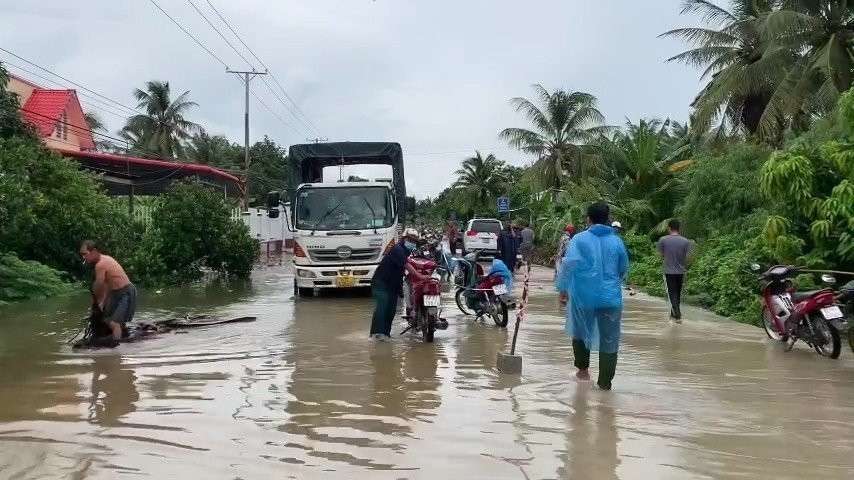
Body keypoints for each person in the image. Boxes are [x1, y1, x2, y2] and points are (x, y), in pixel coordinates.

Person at [556, 202, 629, 391]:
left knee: (580, 331)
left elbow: (569, 265)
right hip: (611, 297)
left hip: (584, 296)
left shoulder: (579, 239)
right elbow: (623, 269)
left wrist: (563, 288)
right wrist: (611, 283)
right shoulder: (617, 241)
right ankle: (605, 384)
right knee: (610, 339)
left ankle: (583, 372)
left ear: (588, 219)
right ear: (608, 219)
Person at [369, 229, 426, 339]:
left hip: (393, 285)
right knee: (383, 305)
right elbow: (409, 267)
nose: (412, 243)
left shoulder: (407, 251)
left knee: (391, 310)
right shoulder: (397, 249)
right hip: (381, 282)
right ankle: (375, 334)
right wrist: (422, 277)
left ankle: (385, 334)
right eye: (410, 240)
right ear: (404, 239)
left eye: (414, 241)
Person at [80, 240, 137, 342]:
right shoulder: (101, 262)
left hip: (125, 292)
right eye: (82, 255)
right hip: (114, 293)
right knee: (106, 319)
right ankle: (118, 335)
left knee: (115, 323)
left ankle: (115, 349)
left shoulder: (101, 264)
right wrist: (101, 303)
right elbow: (106, 286)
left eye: (85, 254)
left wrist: (96, 303)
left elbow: (99, 285)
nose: (83, 257)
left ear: (93, 251)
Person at [658, 218, 692, 323]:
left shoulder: (663, 240)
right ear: (678, 229)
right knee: (677, 292)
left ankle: (677, 315)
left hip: (669, 271)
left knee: (672, 293)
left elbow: (661, 255)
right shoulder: (686, 241)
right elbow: (688, 257)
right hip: (680, 271)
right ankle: (674, 313)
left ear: (669, 228)